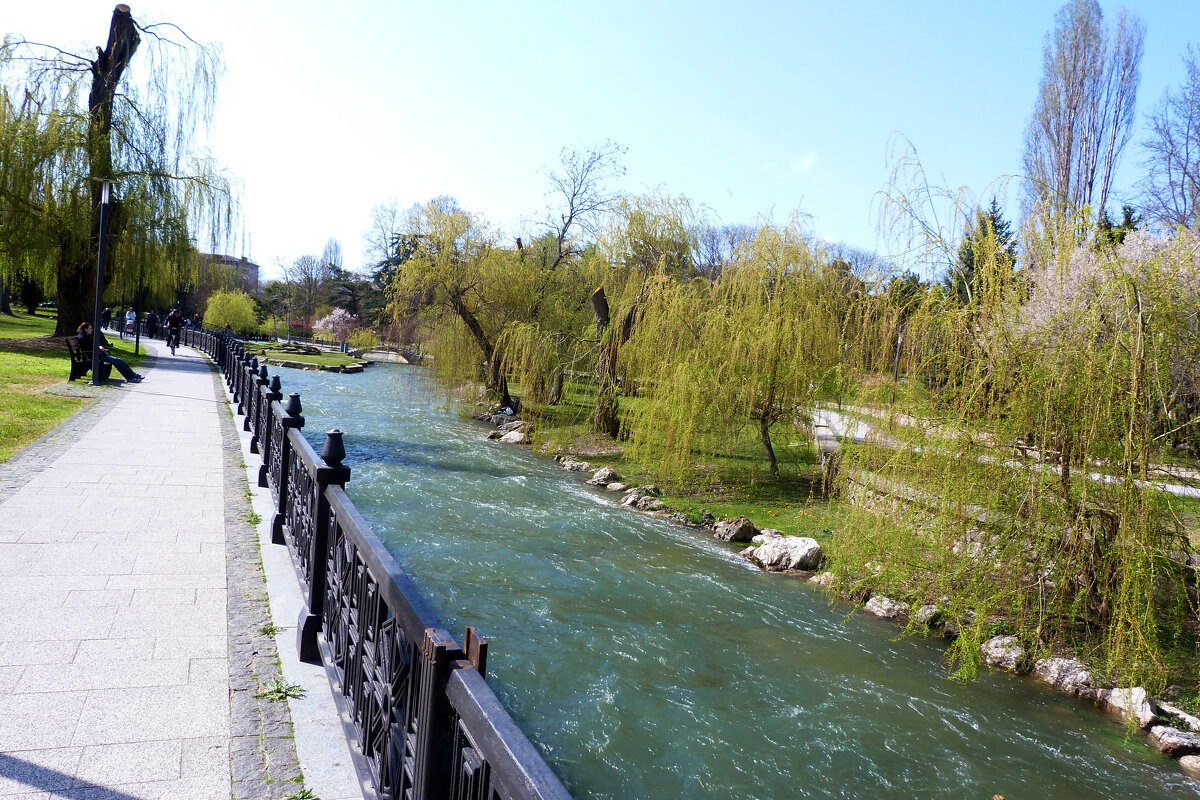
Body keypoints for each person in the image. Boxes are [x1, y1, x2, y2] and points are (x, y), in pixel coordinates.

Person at [76, 322, 144, 383]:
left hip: (99, 355)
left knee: (118, 362)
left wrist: (99, 347)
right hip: (96, 356)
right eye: (90, 328)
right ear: (85, 329)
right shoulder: (84, 338)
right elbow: (90, 348)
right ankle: (133, 376)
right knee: (119, 361)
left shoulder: (86, 336)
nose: (91, 330)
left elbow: (93, 346)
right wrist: (99, 349)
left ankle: (131, 376)